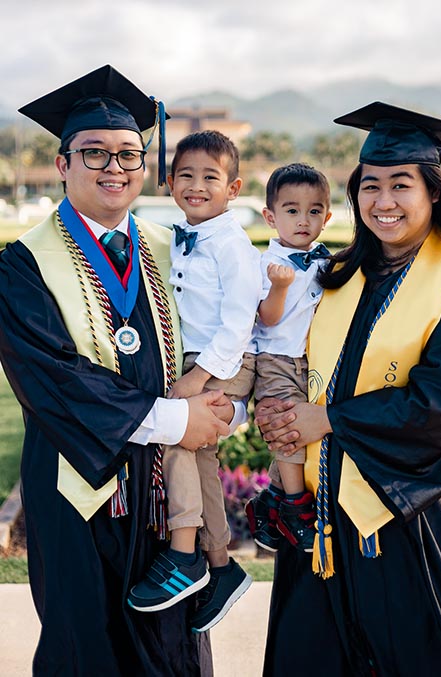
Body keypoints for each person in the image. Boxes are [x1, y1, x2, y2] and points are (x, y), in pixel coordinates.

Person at [0, 65, 239, 677]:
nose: (115, 167)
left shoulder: (174, 245)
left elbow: (223, 333)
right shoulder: (23, 265)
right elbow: (53, 381)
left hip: (165, 494)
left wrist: (224, 407)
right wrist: (175, 421)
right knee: (89, 645)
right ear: (62, 164)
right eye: (95, 153)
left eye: (129, 153)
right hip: (79, 492)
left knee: (171, 650)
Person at [255, 102, 441, 677]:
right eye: (370, 186)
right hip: (315, 519)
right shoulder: (334, 274)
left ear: (435, 192)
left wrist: (330, 420)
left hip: (401, 517)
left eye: (400, 185)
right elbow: (288, 357)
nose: (383, 202)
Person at [128, 130, 260, 632]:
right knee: (201, 460)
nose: (197, 185)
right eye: (186, 175)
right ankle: (221, 565)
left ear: (233, 187)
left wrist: (200, 376)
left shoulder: (232, 243)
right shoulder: (177, 236)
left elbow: (241, 320)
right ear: (168, 182)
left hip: (220, 361)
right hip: (197, 360)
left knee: (181, 441)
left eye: (211, 177)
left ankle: (184, 556)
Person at [245, 163, 332, 553]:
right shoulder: (266, 265)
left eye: (314, 211)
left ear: (327, 217)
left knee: (304, 431)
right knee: (289, 427)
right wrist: (280, 286)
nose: (304, 220)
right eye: (292, 210)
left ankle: (270, 501)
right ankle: (296, 509)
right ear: (270, 216)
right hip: (276, 360)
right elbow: (268, 316)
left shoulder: (327, 262)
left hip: (311, 362)